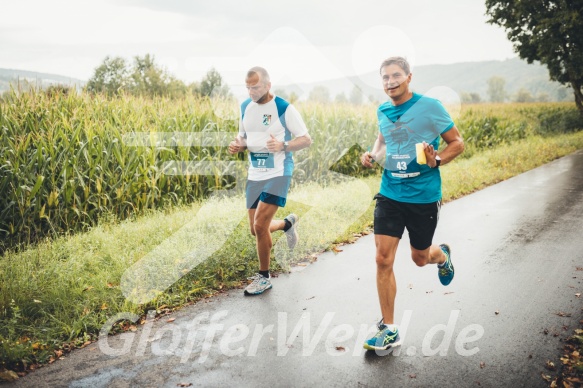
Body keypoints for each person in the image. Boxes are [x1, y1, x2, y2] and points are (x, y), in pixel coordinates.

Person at [360, 56, 464, 351]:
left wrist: (438, 159)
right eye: (384, 77)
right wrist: (372, 155)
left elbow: (457, 142)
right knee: (383, 259)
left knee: (419, 258)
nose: (390, 82)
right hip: (390, 192)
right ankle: (390, 327)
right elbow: (382, 142)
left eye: (395, 76)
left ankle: (441, 255)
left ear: (408, 77)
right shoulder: (382, 110)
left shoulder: (430, 107)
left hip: (423, 197)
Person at [228, 66, 312, 296]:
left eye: (255, 87)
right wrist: (238, 145)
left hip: (278, 171)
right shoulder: (245, 106)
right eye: (247, 87)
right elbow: (243, 136)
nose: (251, 92)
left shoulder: (283, 108)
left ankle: (264, 277)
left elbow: (306, 139)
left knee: (259, 225)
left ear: (267, 85)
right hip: (255, 173)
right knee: (256, 230)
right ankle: (287, 224)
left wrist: (283, 146)